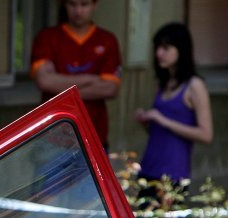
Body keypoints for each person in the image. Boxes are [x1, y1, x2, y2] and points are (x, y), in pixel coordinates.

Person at [30, 0, 121, 148]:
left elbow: (111, 88)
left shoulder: (107, 40)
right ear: (64, 5)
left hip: (94, 137)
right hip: (52, 137)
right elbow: (44, 81)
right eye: (72, 4)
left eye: (84, 4)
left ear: (94, 5)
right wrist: (92, 79)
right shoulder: (47, 38)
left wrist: (59, 85)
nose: (78, 11)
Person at [135, 22, 213, 191]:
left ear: (181, 49)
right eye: (157, 48)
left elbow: (206, 134)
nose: (159, 53)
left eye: (166, 48)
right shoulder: (163, 83)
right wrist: (147, 120)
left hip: (173, 173)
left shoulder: (194, 85)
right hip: (149, 167)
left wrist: (162, 119)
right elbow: (161, 132)